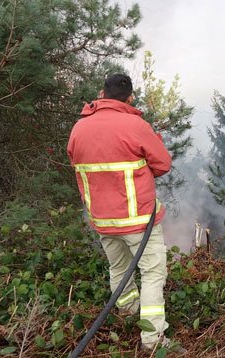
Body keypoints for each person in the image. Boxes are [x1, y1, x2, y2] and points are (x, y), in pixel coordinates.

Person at [67, 74, 172, 350]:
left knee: (119, 268)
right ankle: (153, 340)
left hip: (102, 220)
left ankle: (127, 315)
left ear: (101, 93)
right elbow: (162, 165)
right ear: (130, 97)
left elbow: (75, 161)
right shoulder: (135, 125)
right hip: (138, 221)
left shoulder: (79, 128)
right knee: (152, 273)